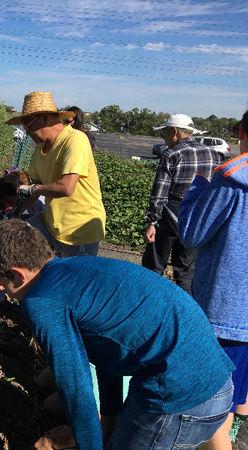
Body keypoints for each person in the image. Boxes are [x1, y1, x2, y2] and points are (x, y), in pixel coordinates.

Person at [0, 219, 234, 450]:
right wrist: (107, 426)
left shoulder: (40, 301)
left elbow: (75, 387)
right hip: (218, 384)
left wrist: (86, 444)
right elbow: (108, 355)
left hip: (179, 396)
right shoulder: (76, 268)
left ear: (16, 274)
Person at [178, 110, 248, 449]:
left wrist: (197, 190)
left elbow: (192, 233)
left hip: (224, 311)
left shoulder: (231, 181)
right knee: (238, 388)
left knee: (212, 404)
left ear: (239, 132)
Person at [7, 91, 106, 257]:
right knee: (13, 238)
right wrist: (14, 215)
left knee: (73, 279)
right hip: (52, 222)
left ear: (45, 118)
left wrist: (34, 189)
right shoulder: (40, 148)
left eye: (28, 125)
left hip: (80, 229)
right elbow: (33, 188)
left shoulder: (75, 140)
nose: (27, 132)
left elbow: (66, 187)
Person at [143, 113, 221, 294]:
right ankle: (186, 311)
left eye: (164, 133)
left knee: (154, 265)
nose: (163, 138)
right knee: (185, 269)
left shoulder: (172, 154)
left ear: (175, 132)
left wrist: (152, 222)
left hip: (172, 211)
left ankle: (150, 303)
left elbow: (160, 191)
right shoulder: (212, 154)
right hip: (198, 214)